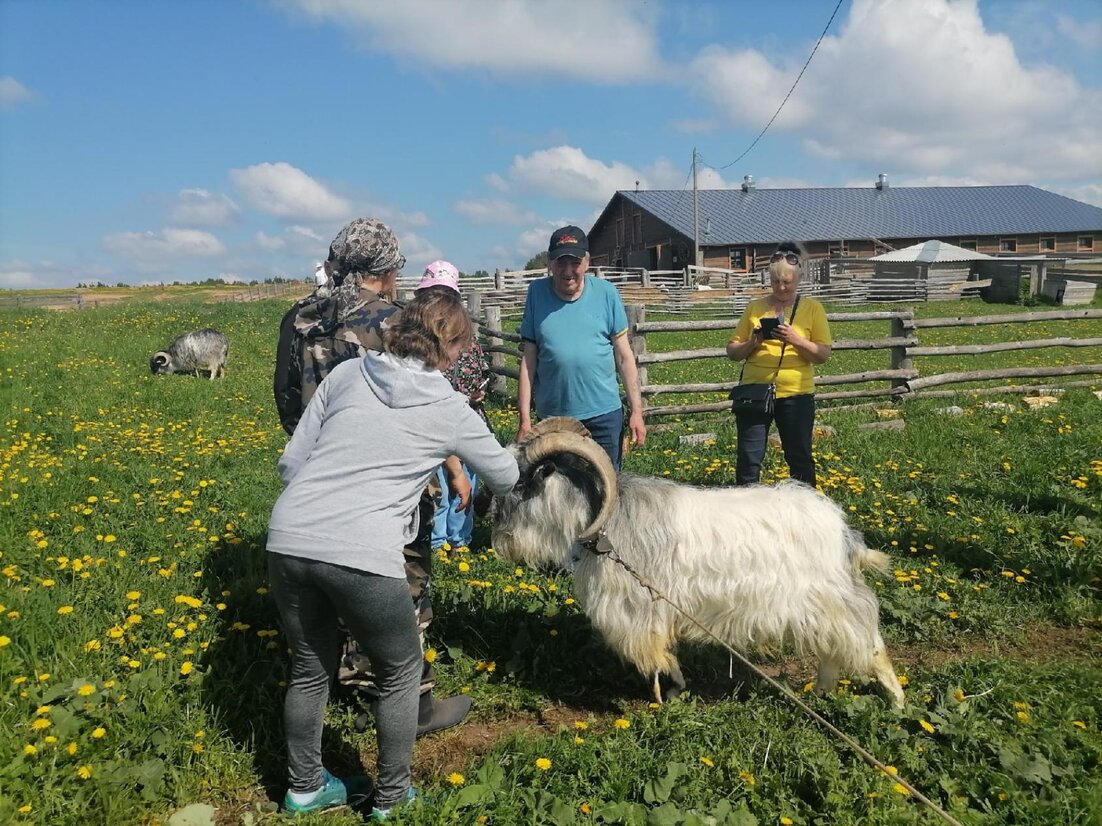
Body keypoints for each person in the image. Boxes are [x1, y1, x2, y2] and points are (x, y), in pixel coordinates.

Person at [268, 288, 521, 817]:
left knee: (311, 666)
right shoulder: (449, 405)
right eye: (462, 350)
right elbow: (503, 474)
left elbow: (292, 463)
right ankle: (391, 797)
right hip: (363, 549)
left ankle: (306, 786)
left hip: (289, 537)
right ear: (450, 346)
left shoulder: (346, 374)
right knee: (401, 669)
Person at [273, 217, 473, 744]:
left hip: (317, 478)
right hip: (396, 485)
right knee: (404, 588)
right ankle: (410, 702)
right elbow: (427, 397)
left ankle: (350, 685)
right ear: (384, 272)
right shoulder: (395, 321)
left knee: (333, 588)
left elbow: (287, 400)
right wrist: (452, 466)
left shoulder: (298, 320)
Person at [517, 225, 646, 469]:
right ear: (550, 263)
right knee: (556, 495)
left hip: (603, 415)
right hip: (554, 420)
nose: (567, 271)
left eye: (574, 263)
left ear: (587, 263)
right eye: (560, 262)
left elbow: (624, 358)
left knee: (606, 491)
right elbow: (529, 360)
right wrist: (525, 419)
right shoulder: (536, 293)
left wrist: (636, 412)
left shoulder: (607, 294)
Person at [725, 241, 832, 486]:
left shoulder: (813, 308)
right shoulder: (755, 307)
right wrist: (753, 342)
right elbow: (732, 351)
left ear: (799, 279)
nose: (781, 288)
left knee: (799, 457)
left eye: (787, 282)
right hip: (755, 392)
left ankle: (805, 511)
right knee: (748, 459)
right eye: (775, 282)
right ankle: (747, 511)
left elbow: (823, 354)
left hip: (796, 393)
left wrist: (796, 340)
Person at [414, 261, 489, 552]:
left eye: (445, 294)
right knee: (441, 487)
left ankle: (460, 541)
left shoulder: (466, 334)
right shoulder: (417, 340)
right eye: (433, 294)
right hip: (432, 424)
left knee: (466, 484)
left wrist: (478, 391)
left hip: (467, 418)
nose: (439, 302)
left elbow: (481, 369)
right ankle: (436, 542)